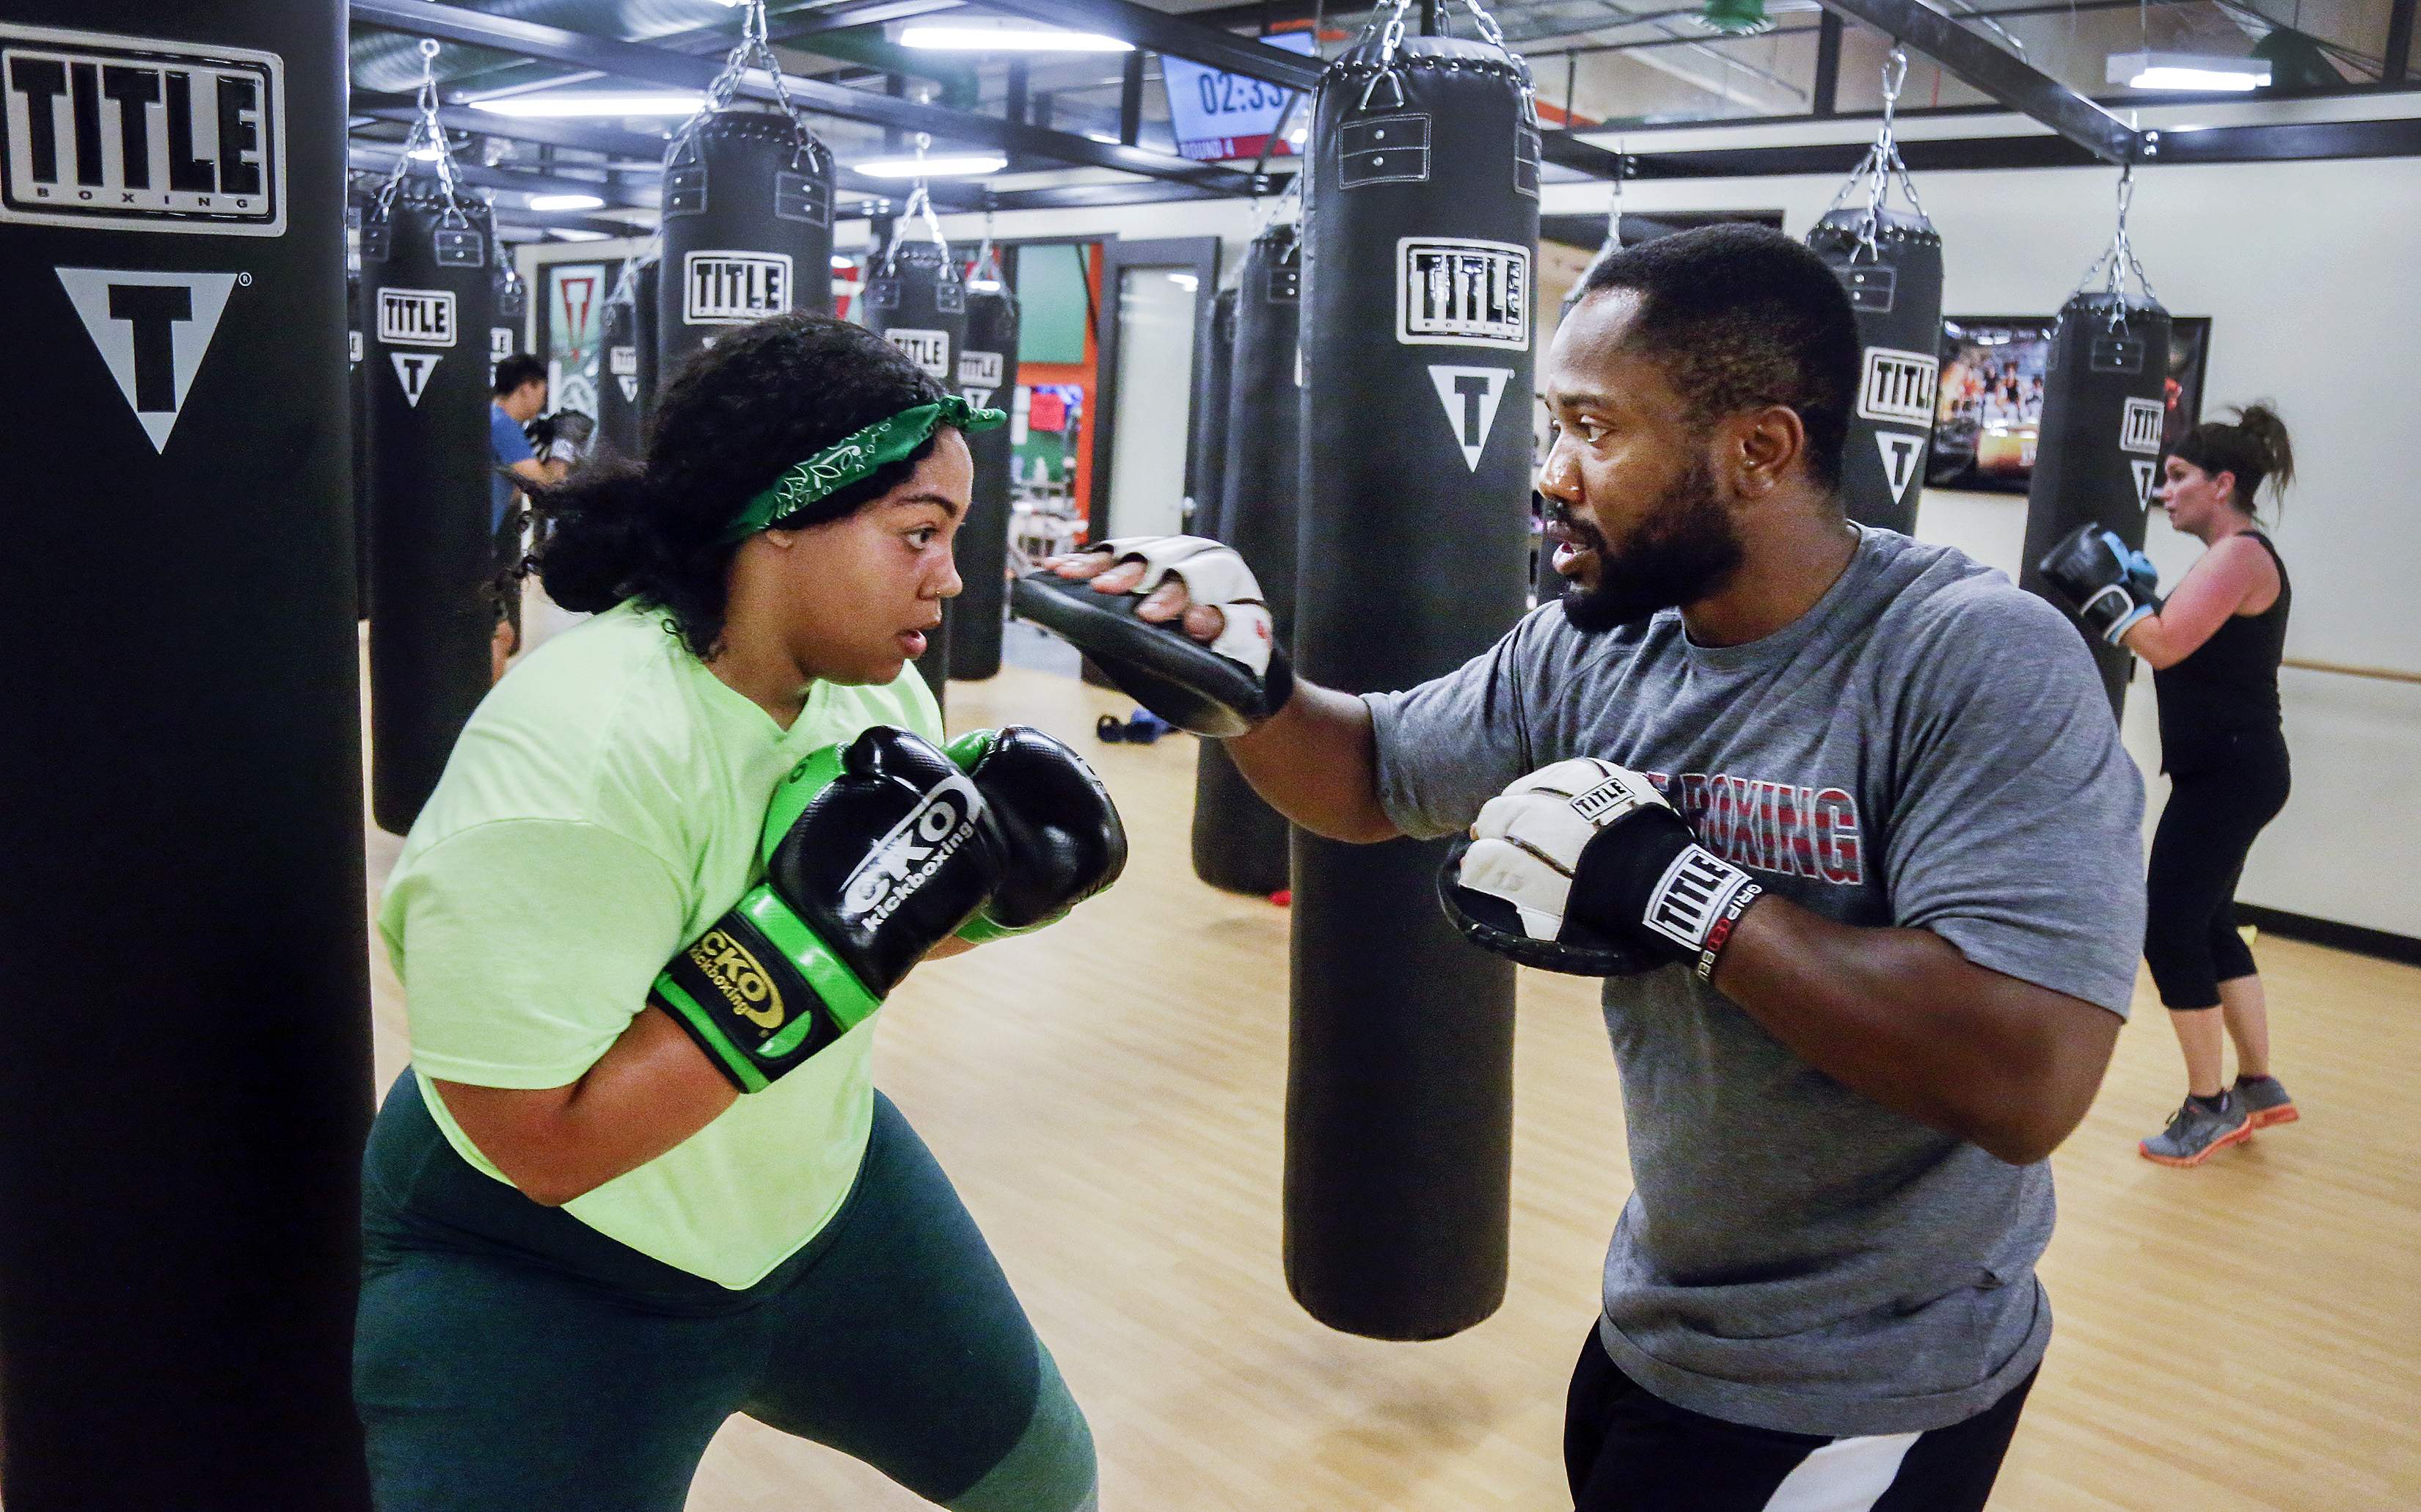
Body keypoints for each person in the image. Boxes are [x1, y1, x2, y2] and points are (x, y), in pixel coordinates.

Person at [1031, 225, 2146, 1509]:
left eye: (1597, 431)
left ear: (1760, 450)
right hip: (1660, 1318)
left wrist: (1693, 900)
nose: (1549, 476)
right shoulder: (1597, 644)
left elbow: (2028, 1072)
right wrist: (1250, 694)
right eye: (1550, 424)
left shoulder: (1969, 659)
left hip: (1866, 1377)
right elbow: (1375, 772)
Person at [358, 313, 1117, 1512]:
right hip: (551, 1266)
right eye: (919, 534)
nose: (955, 576)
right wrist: (813, 951)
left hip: (817, 1195)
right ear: (777, 520)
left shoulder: (878, 699)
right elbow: (538, 1144)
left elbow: (860, 939)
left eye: (953, 537)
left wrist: (982, 905)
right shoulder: (576, 760)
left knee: (1043, 1477)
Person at [2040, 406, 2298, 1166]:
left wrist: (2109, 599)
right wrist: (2143, 594)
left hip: (2229, 768)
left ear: (2223, 485)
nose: (2165, 492)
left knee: (2170, 929)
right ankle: (2258, 1084)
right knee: (2212, 921)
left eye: (2179, 477)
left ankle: (2209, 1106)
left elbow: (2163, 646)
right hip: (2235, 764)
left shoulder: (2239, 555)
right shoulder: (2234, 556)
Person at [489, 354, 557, 678]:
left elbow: (513, 490)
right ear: (527, 388)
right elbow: (545, 487)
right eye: (541, 390)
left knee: (499, 635)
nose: (542, 399)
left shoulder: (492, 420)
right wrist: (564, 451)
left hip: (467, 546)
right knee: (500, 636)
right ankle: (483, 717)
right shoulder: (503, 426)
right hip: (469, 550)